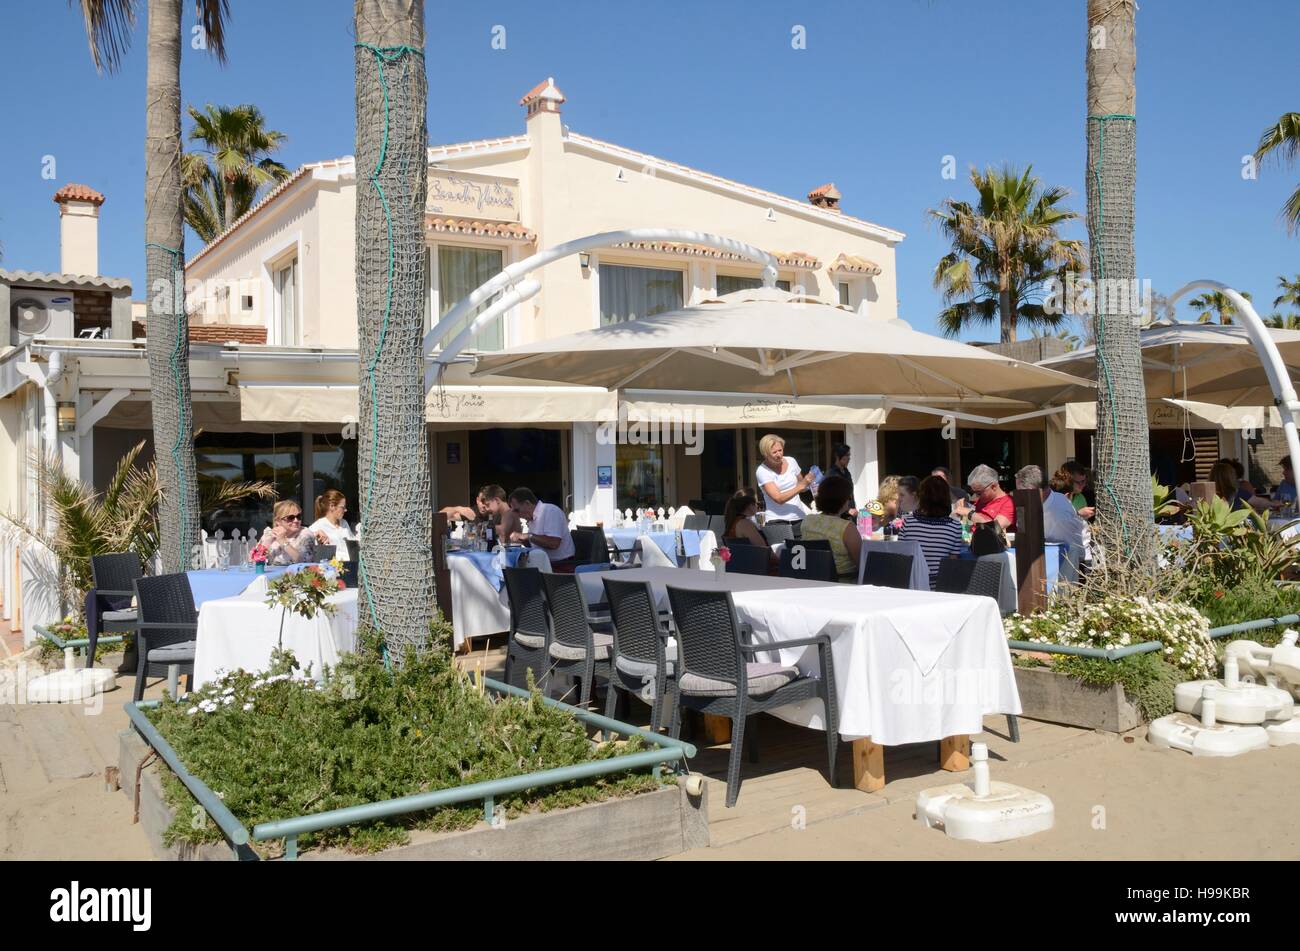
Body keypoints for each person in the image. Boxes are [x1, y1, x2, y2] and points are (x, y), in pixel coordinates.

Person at [899, 476, 964, 589]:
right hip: (939, 588)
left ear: (922, 497)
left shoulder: (909, 522)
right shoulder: (955, 526)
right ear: (946, 498)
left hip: (913, 585)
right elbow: (952, 564)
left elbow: (901, 556)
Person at [799, 475, 862, 580]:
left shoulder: (807, 521)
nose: (849, 501)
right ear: (842, 500)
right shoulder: (847, 527)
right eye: (849, 497)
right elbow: (861, 562)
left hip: (813, 581)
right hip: (843, 584)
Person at [1016, 465, 1085, 556]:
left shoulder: (1061, 515)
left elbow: (1076, 552)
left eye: (1022, 492)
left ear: (1039, 491)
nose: (1019, 496)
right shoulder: (1027, 505)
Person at [755, 434, 811, 532]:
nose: (779, 454)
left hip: (799, 517)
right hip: (777, 521)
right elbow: (778, 498)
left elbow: (802, 485)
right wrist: (802, 486)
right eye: (774, 452)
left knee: (801, 547)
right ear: (765, 454)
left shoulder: (791, 461)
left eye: (780, 450)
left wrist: (812, 482)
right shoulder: (762, 471)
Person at [507, 487, 575, 565]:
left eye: (517, 510)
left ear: (527, 503)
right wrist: (523, 540)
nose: (517, 515)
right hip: (543, 563)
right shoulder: (532, 518)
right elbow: (536, 547)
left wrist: (528, 536)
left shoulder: (550, 511)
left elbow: (554, 543)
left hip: (561, 565)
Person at [954, 463, 1016, 531]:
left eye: (979, 493)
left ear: (993, 486)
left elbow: (996, 527)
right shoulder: (982, 501)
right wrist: (965, 506)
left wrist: (969, 513)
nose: (976, 496)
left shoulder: (1009, 502)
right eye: (974, 492)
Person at [259, 500, 321, 566]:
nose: (296, 520)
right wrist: (268, 542)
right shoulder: (269, 534)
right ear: (278, 521)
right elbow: (252, 560)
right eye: (290, 518)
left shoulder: (305, 534)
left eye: (298, 516)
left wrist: (283, 541)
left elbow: (303, 561)